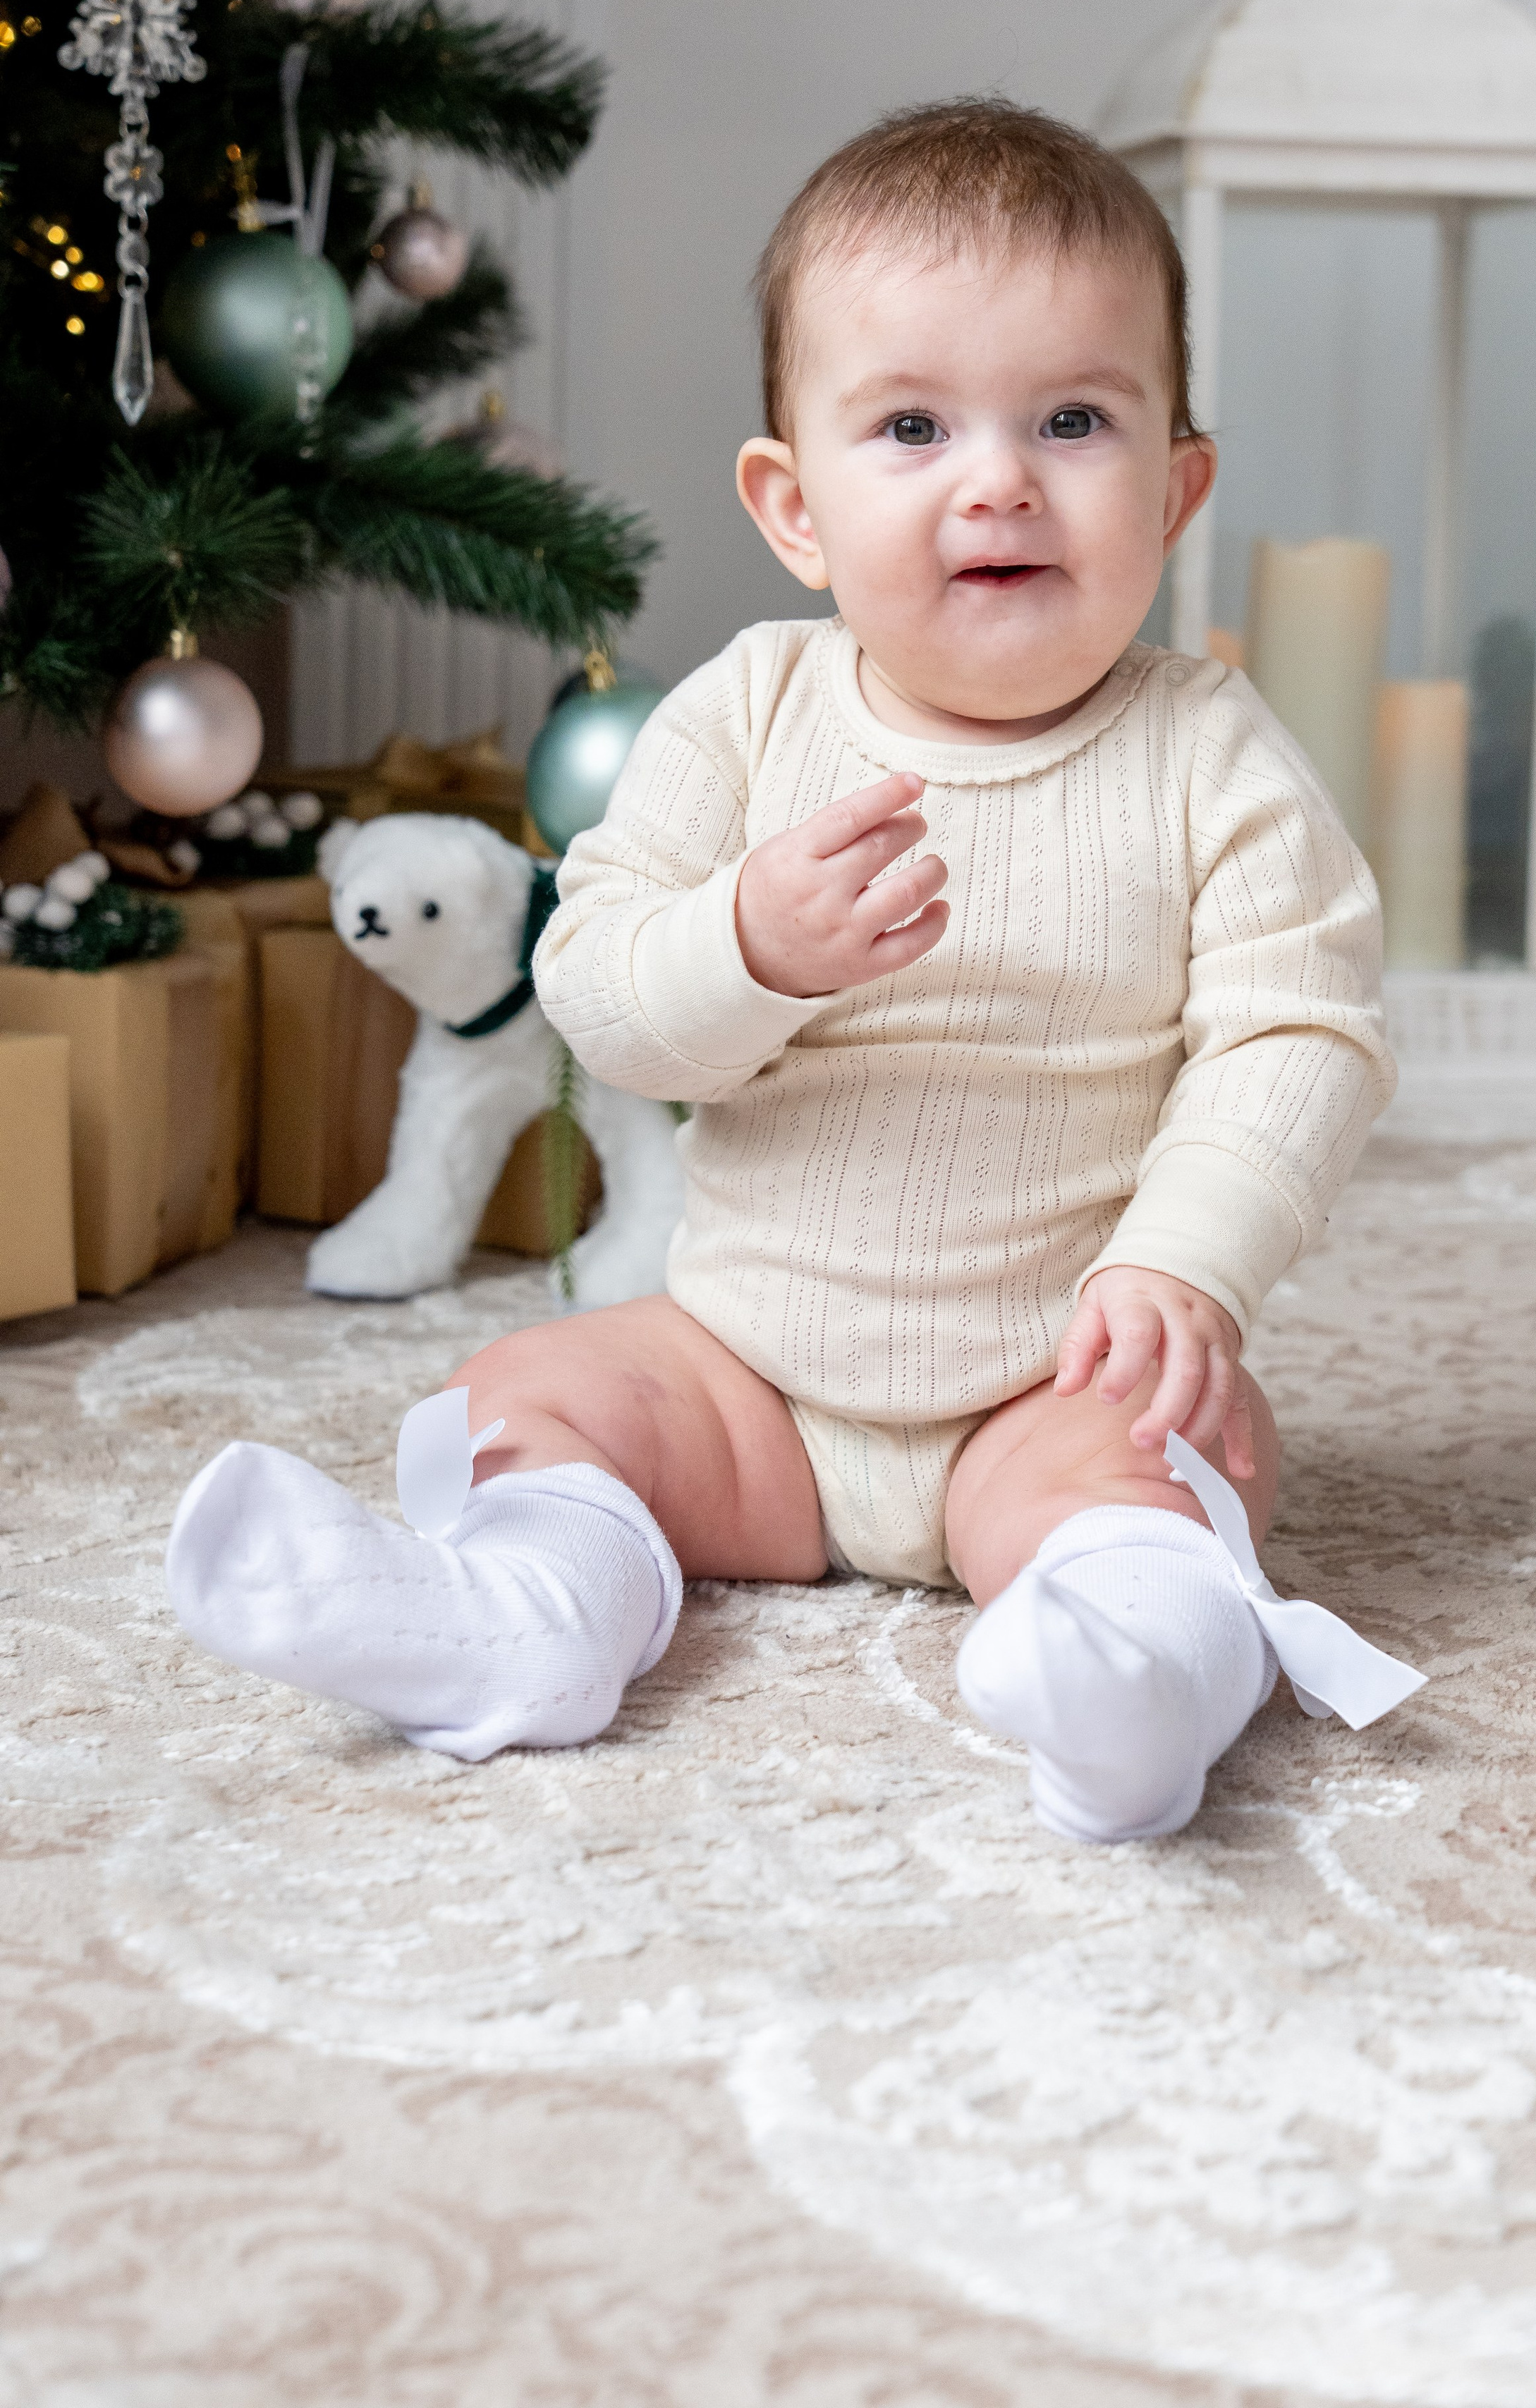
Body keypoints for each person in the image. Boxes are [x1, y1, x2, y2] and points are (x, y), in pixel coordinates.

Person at [168, 99, 1396, 1845]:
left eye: (1071, 419)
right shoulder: (745, 713)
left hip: (1048, 1375)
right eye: (911, 426)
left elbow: (1298, 1032)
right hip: (746, 1369)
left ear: (1176, 488)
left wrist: (1183, 1263)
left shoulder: (1210, 752)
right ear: (794, 506)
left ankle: (1125, 1675)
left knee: (1185, 1468)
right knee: (534, 1394)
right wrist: (744, 949)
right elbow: (594, 988)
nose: (997, 479)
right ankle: (525, 1616)